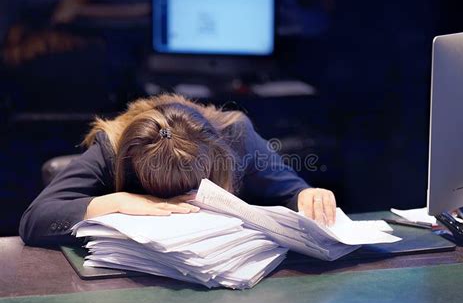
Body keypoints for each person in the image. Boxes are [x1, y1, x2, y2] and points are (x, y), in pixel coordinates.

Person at [19, 94, 337, 246]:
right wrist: (116, 202)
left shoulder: (234, 136)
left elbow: (292, 192)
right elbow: (35, 219)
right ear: (131, 165)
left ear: (218, 157)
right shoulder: (112, 148)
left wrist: (309, 195)